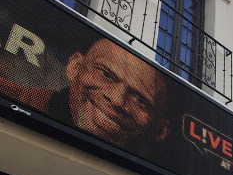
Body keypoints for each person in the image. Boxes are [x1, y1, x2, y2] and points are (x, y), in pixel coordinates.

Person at [1, 37, 171, 151]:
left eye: (139, 100)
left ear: (160, 131)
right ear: (75, 67)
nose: (116, 100)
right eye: (105, 75)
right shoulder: (9, 95)